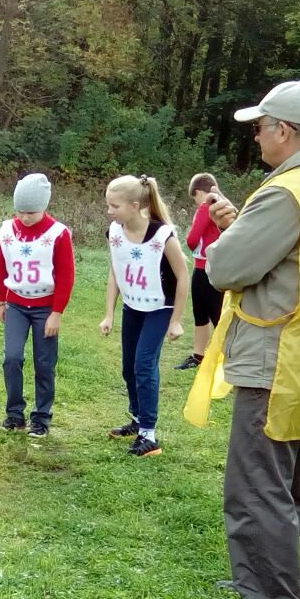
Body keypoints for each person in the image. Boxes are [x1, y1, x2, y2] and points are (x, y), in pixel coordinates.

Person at [185, 81, 300, 599]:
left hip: (275, 359)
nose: (256, 136)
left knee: (256, 488)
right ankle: (265, 579)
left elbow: (225, 270)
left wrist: (230, 236)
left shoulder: (285, 192)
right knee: (281, 482)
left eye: (260, 126)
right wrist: (242, 227)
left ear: (284, 130)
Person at [99, 175, 189, 457]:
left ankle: (149, 434)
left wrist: (176, 320)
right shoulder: (115, 232)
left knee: (144, 365)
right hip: (133, 307)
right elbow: (115, 271)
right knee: (129, 367)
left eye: (114, 206)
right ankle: (137, 419)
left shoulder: (162, 236)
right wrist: (109, 314)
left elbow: (183, 275)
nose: (110, 211)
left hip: (159, 309)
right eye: (108, 205)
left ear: (134, 206)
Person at [0, 173, 75, 438]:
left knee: (44, 363)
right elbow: (1, 265)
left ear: (43, 207)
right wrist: (0, 299)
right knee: (12, 358)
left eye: (31, 212)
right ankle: (14, 414)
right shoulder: (7, 230)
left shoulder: (58, 233)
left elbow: (66, 276)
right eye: (21, 211)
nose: (25, 217)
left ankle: (41, 417)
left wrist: (56, 313)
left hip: (45, 308)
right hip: (16, 304)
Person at [175, 173, 225, 371]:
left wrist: (203, 209)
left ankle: (222, 357)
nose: (196, 203)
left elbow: (192, 239)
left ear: (198, 192)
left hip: (207, 269)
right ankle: (199, 355)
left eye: (194, 198)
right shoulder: (222, 205)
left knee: (213, 315)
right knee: (203, 313)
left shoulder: (207, 207)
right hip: (209, 267)